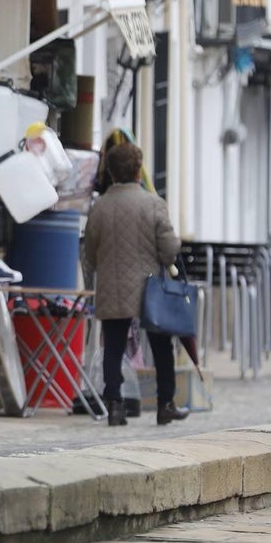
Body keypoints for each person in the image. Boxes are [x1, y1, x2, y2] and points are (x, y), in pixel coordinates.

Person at [81, 141, 189, 427]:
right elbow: (168, 250)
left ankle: (115, 405)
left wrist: (91, 281)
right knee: (161, 346)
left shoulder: (100, 207)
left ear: (112, 173)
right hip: (150, 289)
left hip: (112, 285)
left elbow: (89, 252)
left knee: (113, 346)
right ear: (138, 171)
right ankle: (165, 403)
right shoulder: (154, 204)